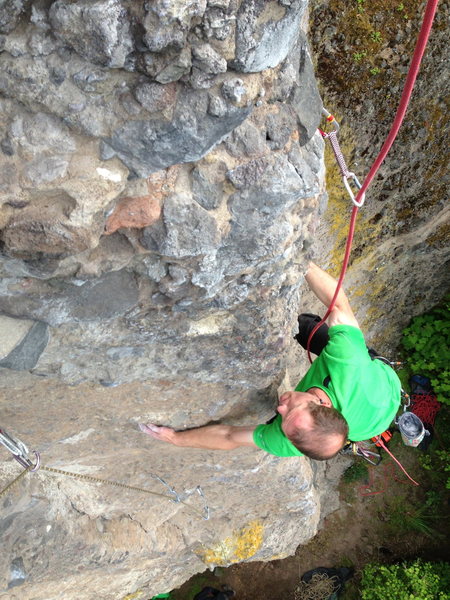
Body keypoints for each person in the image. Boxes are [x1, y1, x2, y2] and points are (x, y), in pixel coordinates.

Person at [140, 262, 401, 461]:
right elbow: (339, 306)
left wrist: (175, 438)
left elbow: (230, 436)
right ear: (319, 402)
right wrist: (302, 262)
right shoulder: (349, 364)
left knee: (304, 330)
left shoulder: (287, 441)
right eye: (292, 410)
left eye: (283, 419)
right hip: (379, 386)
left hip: (367, 424)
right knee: (303, 325)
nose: (280, 409)